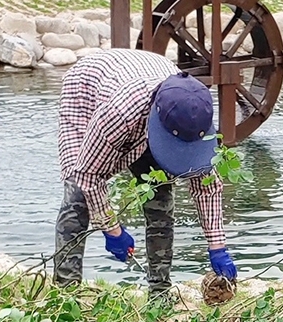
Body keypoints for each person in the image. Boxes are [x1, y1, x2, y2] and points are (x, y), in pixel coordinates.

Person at [53, 49, 237, 300]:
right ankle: (65, 293)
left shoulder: (193, 111)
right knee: (77, 198)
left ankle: (159, 293)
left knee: (161, 200)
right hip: (87, 89)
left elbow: (206, 184)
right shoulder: (117, 114)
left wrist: (218, 246)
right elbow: (88, 175)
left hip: (150, 78)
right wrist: (112, 228)